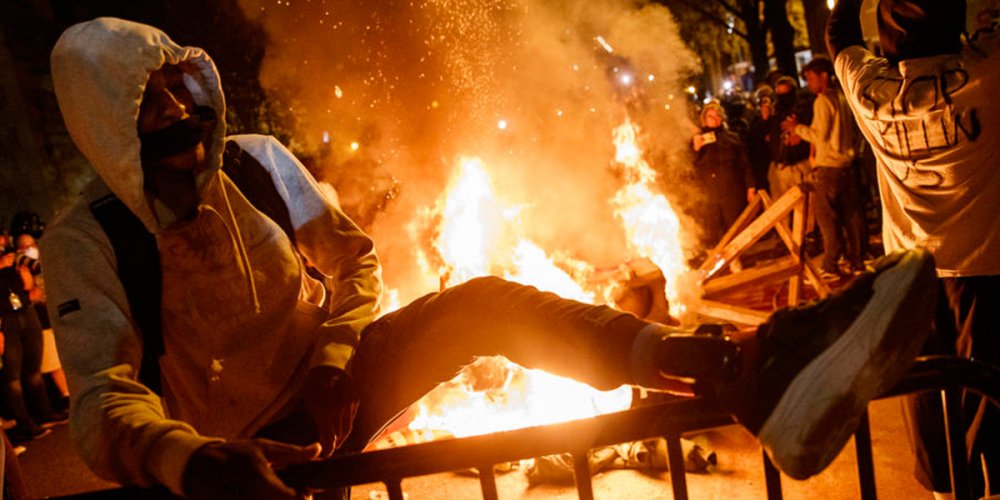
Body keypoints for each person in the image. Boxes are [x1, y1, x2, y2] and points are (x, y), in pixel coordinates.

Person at [44, 17, 939, 500]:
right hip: (225, 466)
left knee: (483, 304)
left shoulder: (259, 164)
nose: (177, 112)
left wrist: (336, 357)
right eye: (147, 104)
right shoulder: (87, 241)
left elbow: (354, 266)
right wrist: (191, 462)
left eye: (177, 85)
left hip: (334, 390)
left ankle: (742, 369)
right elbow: (99, 402)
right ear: (106, 130)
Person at [828, 0, 1000, 498]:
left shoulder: (868, 90)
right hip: (982, 264)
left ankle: (943, 492)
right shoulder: (986, 71)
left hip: (906, 274)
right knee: (987, 386)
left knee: (923, 385)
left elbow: (838, 33)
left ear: (885, 34)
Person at [782, 57, 866, 277]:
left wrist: (796, 128)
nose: (809, 83)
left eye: (811, 78)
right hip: (848, 165)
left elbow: (820, 135)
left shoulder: (823, 101)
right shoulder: (844, 97)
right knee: (853, 215)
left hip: (829, 168)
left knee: (827, 218)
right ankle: (858, 262)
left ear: (824, 76)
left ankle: (830, 264)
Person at [0, 252, 64, 442]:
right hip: (5, 321)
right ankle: (25, 423)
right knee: (12, 377)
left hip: (26, 312)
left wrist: (28, 281)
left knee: (33, 369)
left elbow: (30, 284)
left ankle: (45, 414)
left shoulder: (13, 260)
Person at [691, 102, 755, 249]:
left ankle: (735, 260)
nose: (714, 119)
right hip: (709, 194)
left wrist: (750, 187)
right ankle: (714, 262)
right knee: (710, 232)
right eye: (710, 116)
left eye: (717, 115)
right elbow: (689, 166)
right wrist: (696, 149)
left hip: (731, 192)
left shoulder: (733, 138)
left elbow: (745, 164)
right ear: (704, 120)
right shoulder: (698, 140)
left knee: (734, 228)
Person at [766, 76, 812, 201]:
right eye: (779, 92)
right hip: (782, 166)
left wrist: (799, 133)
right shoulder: (774, 112)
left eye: (785, 92)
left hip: (801, 164)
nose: (783, 97)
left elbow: (813, 133)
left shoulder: (804, 109)